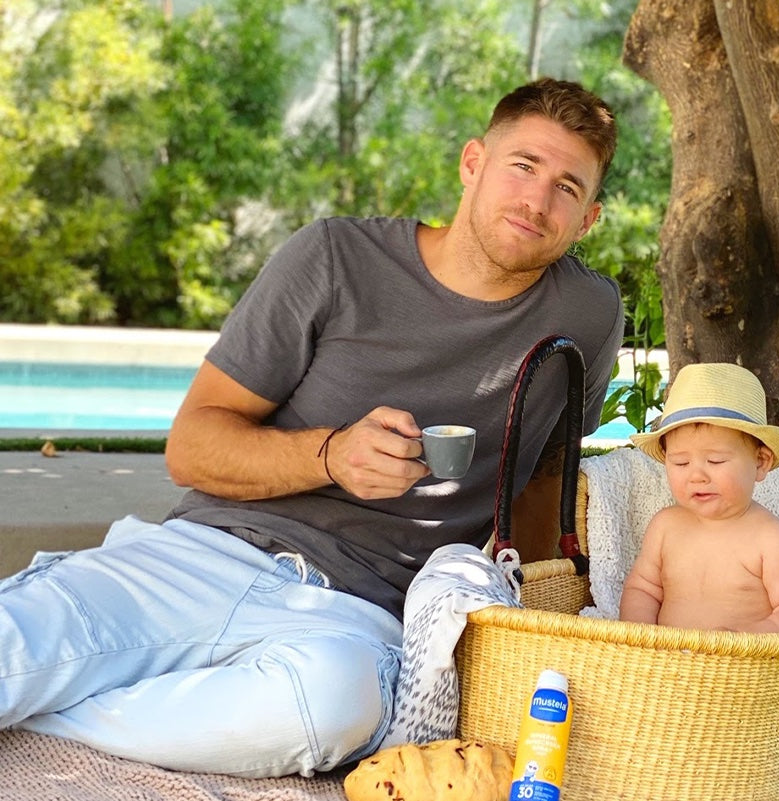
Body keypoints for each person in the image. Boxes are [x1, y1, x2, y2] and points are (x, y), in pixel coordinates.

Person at [0, 78, 624, 778]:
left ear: (589, 217)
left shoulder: (589, 315)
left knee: (333, 709)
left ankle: (57, 708)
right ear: (473, 161)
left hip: (355, 615)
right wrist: (330, 456)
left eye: (567, 188)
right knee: (15, 646)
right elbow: (191, 445)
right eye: (523, 166)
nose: (536, 202)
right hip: (205, 555)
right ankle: (63, 675)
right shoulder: (334, 258)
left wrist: (534, 617)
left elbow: (543, 478)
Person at [619, 363, 779, 634]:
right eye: (680, 463)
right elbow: (643, 589)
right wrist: (640, 637)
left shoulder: (771, 539)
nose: (697, 476)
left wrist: (749, 639)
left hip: (739, 667)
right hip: (665, 666)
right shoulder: (665, 527)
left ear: (760, 462)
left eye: (715, 460)